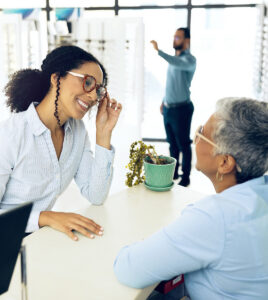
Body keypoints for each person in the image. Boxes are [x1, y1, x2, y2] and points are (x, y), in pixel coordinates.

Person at [114, 98, 268, 299]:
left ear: (224, 163)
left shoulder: (216, 218)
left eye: (202, 132)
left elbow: (128, 269)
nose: (195, 138)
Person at [0, 45, 122, 241]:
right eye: (88, 82)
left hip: (37, 242)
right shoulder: (9, 136)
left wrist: (103, 134)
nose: (93, 96)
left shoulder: (78, 132)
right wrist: (45, 217)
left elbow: (96, 194)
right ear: (57, 78)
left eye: (99, 91)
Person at [150, 27, 196, 187]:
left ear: (187, 41)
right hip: (169, 108)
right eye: (174, 36)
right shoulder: (174, 60)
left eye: (178, 37)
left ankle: (186, 177)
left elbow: (176, 62)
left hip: (182, 109)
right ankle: (173, 172)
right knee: (172, 143)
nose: (174, 39)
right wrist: (164, 101)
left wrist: (159, 51)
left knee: (184, 144)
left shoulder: (189, 60)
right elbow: (173, 84)